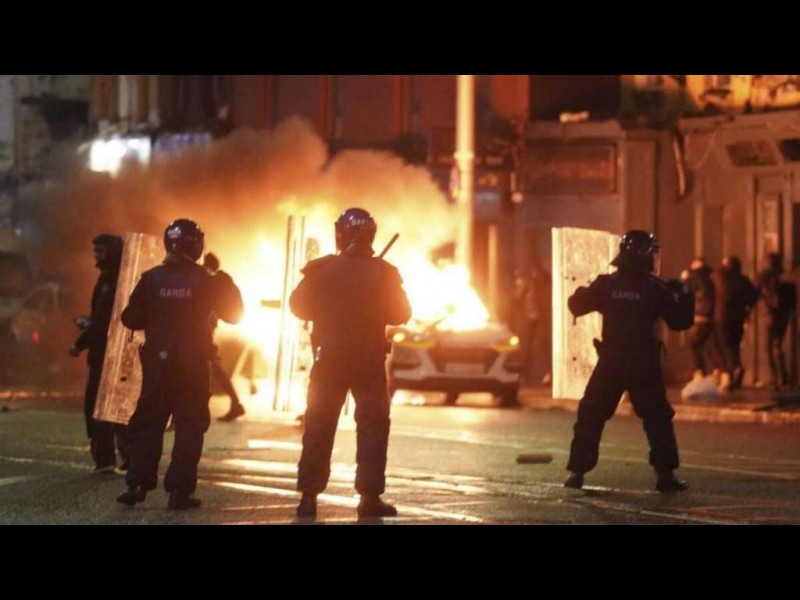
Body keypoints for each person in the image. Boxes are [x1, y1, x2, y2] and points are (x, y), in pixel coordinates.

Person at [289, 207, 411, 519]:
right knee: (373, 428)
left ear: (341, 234)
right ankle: (369, 498)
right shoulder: (384, 272)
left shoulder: (323, 269)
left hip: (329, 361)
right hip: (368, 363)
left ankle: (308, 497)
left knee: (319, 425)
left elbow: (298, 306)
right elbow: (402, 314)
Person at [116, 219, 243, 509]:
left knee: (149, 423)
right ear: (196, 245)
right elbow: (235, 315)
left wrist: (158, 316)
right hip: (192, 367)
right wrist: (224, 280)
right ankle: (179, 492)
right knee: (189, 428)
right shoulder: (208, 278)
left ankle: (137, 484)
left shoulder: (151, 278)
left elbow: (130, 318)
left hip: (157, 366)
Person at [563, 230, 694, 493]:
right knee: (657, 418)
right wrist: (685, 294)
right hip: (643, 364)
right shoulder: (655, 288)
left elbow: (576, 305)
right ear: (643, 255)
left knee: (591, 414)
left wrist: (588, 288)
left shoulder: (607, 284)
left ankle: (578, 471)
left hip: (611, 362)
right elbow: (680, 321)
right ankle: (665, 475)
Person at [69, 234, 129, 473]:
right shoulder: (116, 277)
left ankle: (106, 458)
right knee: (115, 405)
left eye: (100, 251)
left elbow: (104, 319)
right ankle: (128, 456)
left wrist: (80, 343)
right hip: (112, 352)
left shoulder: (113, 280)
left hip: (106, 353)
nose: (96, 256)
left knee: (99, 405)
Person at [203, 252, 245, 422]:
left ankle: (235, 404)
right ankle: (236, 403)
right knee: (213, 366)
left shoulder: (211, 280)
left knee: (208, 367)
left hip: (203, 330)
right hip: (206, 329)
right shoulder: (218, 280)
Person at [715, 256, 758, 392]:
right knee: (734, 346)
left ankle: (733, 369)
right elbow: (753, 296)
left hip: (721, 317)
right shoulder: (743, 280)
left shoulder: (720, 278)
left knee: (724, 346)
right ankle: (735, 370)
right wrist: (746, 310)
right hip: (738, 317)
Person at [757, 253, 797, 390]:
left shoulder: (762, 276)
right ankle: (783, 377)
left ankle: (773, 378)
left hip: (768, 314)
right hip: (783, 315)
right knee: (778, 345)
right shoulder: (786, 278)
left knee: (768, 348)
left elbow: (754, 293)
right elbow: (792, 300)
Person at [512, 262, 551, 386]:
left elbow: (519, 301)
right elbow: (518, 301)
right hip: (532, 318)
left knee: (541, 347)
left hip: (540, 318)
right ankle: (526, 375)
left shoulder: (540, 284)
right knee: (528, 347)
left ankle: (545, 374)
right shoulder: (532, 285)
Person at [685, 257, 723, 381]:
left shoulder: (695, 277)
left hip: (699, 316)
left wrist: (685, 279)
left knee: (694, 344)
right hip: (710, 315)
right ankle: (719, 370)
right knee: (710, 344)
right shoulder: (711, 277)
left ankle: (700, 371)